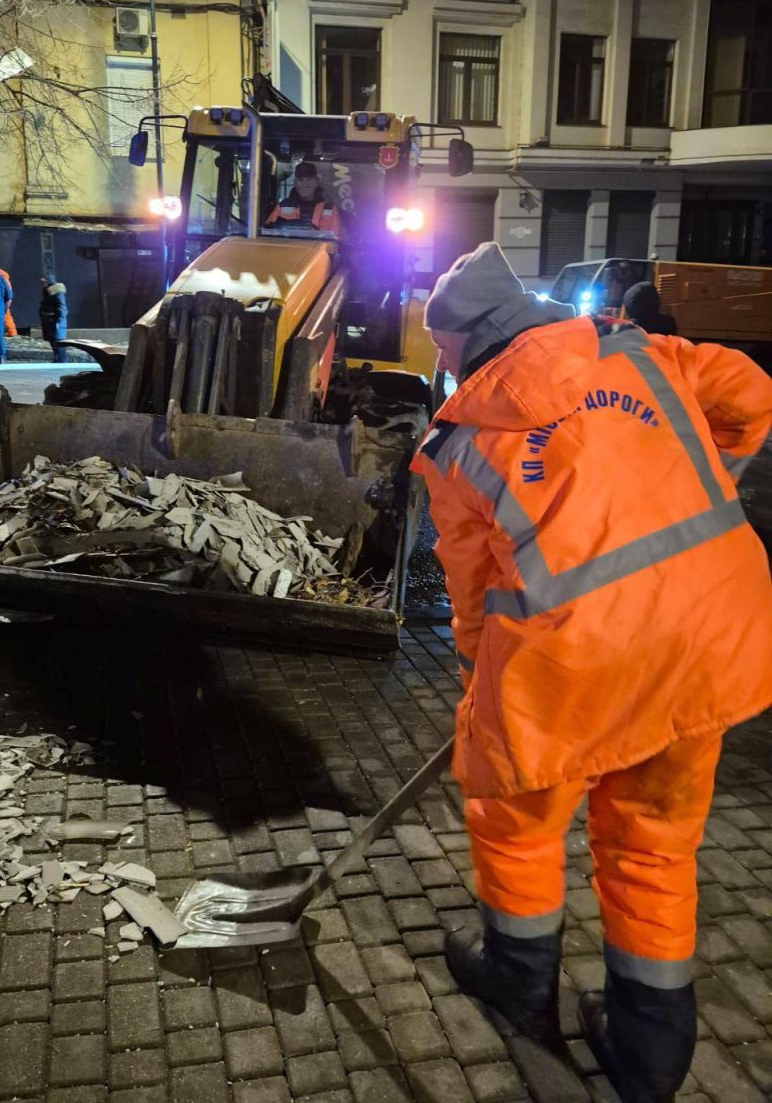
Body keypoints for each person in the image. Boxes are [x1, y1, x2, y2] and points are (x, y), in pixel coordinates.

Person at [412, 242, 772, 1103]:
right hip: (707, 633)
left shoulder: (458, 445)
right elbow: (753, 395)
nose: (445, 369)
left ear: (474, 338)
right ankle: (650, 1051)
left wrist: (476, 686)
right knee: (654, 840)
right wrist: (710, 478)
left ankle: (517, 980)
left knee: (515, 822)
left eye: (447, 350)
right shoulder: (639, 352)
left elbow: (472, 594)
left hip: (573, 667)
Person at [265, 161, 339, 234]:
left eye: (309, 179)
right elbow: (268, 233)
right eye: (301, 180)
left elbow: (338, 237)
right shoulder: (282, 206)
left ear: (317, 182)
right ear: (295, 183)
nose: (305, 184)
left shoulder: (330, 208)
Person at [39, 275, 68, 363]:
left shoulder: (57, 292)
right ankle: (57, 358)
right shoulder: (47, 291)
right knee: (53, 341)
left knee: (58, 341)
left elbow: (61, 307)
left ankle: (61, 360)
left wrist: (59, 321)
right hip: (49, 320)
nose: (43, 284)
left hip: (54, 321)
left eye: (44, 282)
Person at [0, 266, 17, 338]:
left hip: (0, 299)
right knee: (6, 315)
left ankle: (10, 332)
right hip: (5, 299)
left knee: (4, 316)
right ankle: (12, 332)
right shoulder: (5, 277)